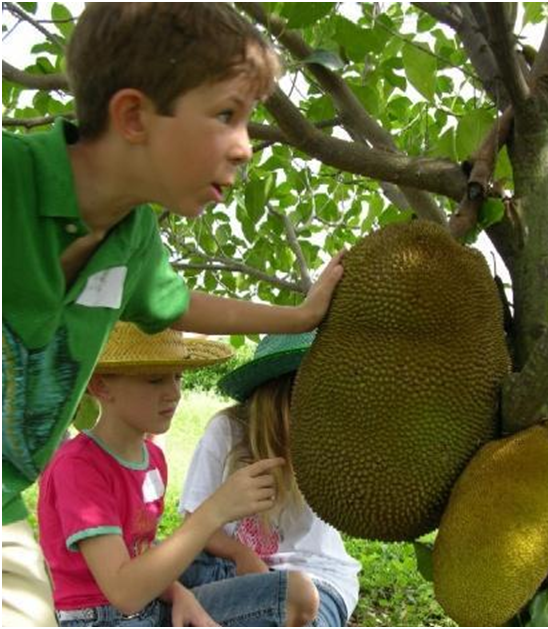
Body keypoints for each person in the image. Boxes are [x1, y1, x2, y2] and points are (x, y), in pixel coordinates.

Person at [2, 4, 343, 625]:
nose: (244, 148)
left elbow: (180, 303)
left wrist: (299, 318)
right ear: (133, 116)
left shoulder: (132, 238)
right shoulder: (11, 180)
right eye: (224, 115)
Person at [37, 322, 320, 627]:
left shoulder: (153, 458)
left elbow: (140, 551)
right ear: (101, 386)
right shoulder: (79, 467)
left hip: (150, 603)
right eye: (155, 379)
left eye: (177, 377)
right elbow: (124, 592)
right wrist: (215, 510)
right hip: (102, 618)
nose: (173, 393)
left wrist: (179, 594)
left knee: (298, 593)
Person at [179, 333, 361, 627]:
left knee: (295, 599)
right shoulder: (227, 430)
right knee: (152, 569)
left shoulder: (330, 441)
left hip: (313, 576)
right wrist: (241, 554)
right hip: (226, 565)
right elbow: (194, 523)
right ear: (277, 397)